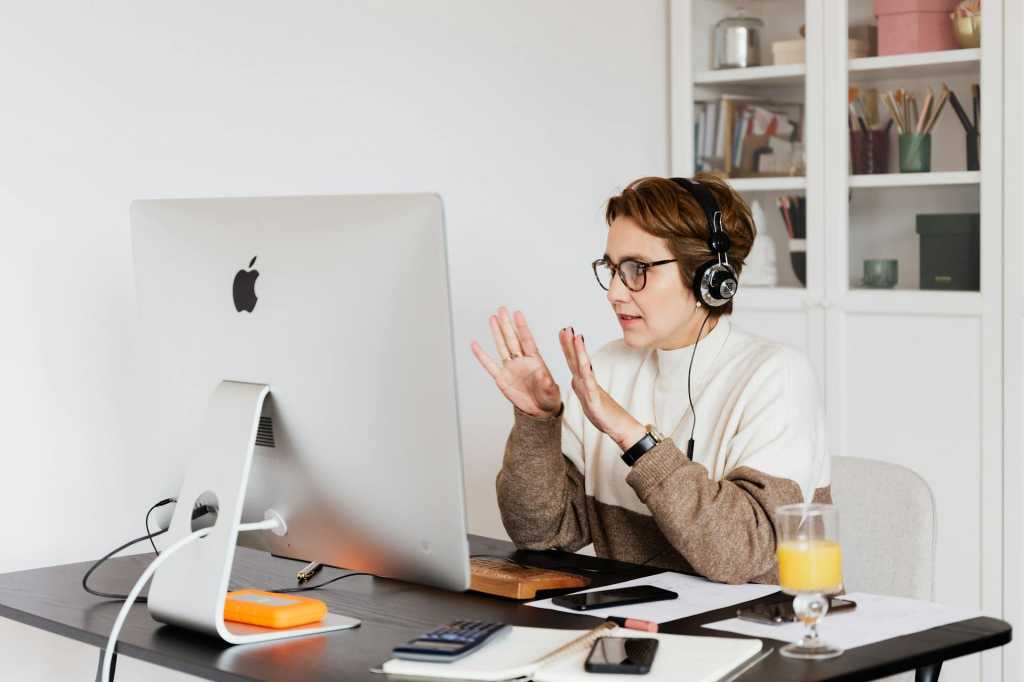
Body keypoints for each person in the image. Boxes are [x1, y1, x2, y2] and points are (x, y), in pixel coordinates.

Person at [470, 174, 830, 585]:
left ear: (708, 276)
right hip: (642, 632)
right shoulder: (605, 368)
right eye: (612, 269)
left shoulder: (776, 376)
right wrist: (537, 422)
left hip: (764, 634)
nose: (614, 293)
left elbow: (740, 556)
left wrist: (633, 437)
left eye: (637, 269)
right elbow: (542, 534)